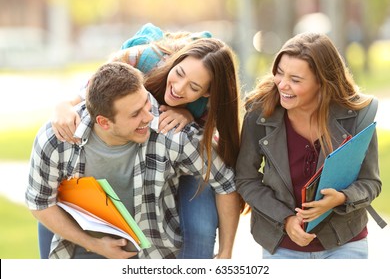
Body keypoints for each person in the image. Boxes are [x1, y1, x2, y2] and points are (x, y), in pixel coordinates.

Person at [45, 24, 244, 259]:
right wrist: (62, 107)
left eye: (194, 87)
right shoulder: (138, 59)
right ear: (176, 61)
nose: (179, 88)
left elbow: (220, 170)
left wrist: (188, 114)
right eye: (179, 74)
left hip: (180, 158)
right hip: (133, 145)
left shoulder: (205, 111)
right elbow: (93, 94)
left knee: (200, 227)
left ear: (208, 93)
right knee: (61, 202)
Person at [235, 32, 382, 259]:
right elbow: (246, 179)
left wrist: (341, 198)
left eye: (295, 80)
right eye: (280, 73)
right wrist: (285, 219)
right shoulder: (259, 114)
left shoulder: (357, 115)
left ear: (322, 82)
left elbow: (370, 182)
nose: (283, 84)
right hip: (281, 246)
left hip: (344, 242)